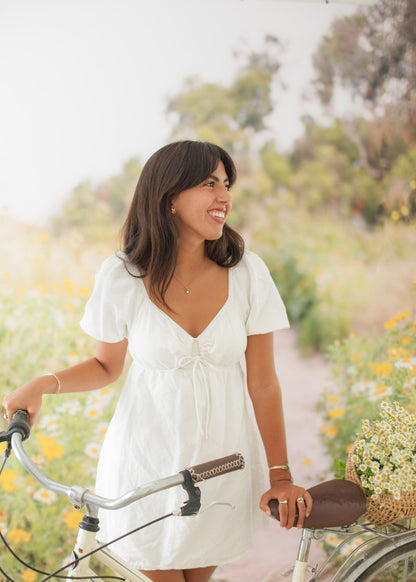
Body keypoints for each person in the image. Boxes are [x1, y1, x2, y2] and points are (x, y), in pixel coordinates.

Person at [3, 140, 312, 582]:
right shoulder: (123, 275)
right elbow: (105, 365)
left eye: (226, 184)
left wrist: (280, 474)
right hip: (146, 462)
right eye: (210, 183)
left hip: (221, 462)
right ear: (169, 198)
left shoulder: (248, 273)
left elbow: (263, 382)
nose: (224, 196)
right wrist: (41, 383)